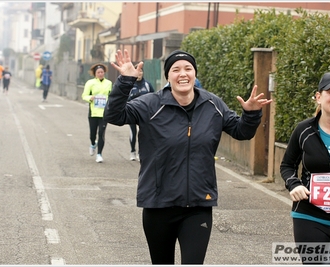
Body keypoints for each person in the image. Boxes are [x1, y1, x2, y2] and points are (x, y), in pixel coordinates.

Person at [104, 49, 272, 264]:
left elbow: (242, 132)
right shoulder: (150, 105)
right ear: (168, 76)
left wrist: (251, 114)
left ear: (195, 74)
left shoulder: (213, 105)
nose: (182, 74)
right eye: (176, 69)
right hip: (158, 205)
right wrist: (126, 80)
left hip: (198, 206)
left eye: (188, 68)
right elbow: (114, 115)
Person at [280, 72, 330, 265]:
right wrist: (294, 185)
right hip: (308, 216)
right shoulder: (303, 130)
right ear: (318, 97)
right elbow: (287, 165)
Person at [82, 63, 112, 163]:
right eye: (98, 72)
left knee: (101, 134)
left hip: (104, 113)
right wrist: (89, 98)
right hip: (93, 112)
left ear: (104, 73)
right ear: (95, 73)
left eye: (102, 72)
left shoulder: (109, 83)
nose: (100, 74)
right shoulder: (90, 83)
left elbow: (111, 95)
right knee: (92, 134)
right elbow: (84, 95)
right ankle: (92, 144)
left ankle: (99, 154)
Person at [127, 64, 155, 161]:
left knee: (143, 133)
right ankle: (132, 151)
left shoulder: (147, 84)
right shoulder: (130, 85)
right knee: (133, 132)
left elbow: (154, 97)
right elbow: (126, 99)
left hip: (145, 113)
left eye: (141, 71)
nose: (139, 73)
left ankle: (140, 152)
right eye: (137, 71)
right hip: (132, 112)